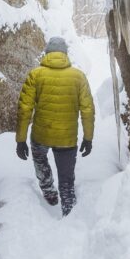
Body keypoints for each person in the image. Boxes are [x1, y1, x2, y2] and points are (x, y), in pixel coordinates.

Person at [15, 36, 95, 216]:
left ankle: (49, 191)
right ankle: (68, 209)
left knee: (39, 159)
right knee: (66, 179)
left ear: (47, 53)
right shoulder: (78, 76)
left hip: (41, 135)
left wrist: (20, 140)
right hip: (67, 139)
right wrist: (88, 138)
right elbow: (88, 109)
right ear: (65, 54)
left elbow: (24, 109)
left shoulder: (35, 75)